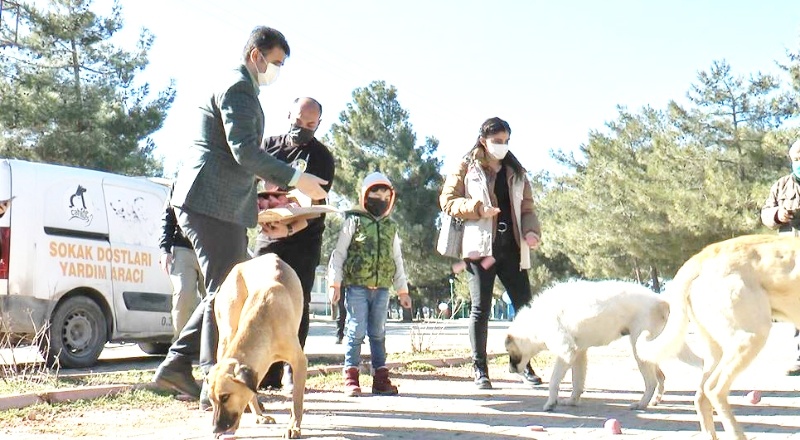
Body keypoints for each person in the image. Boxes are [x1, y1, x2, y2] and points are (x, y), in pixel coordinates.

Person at [152, 26, 328, 409]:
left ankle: (181, 365)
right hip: (209, 202)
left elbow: (236, 156)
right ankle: (201, 377)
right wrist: (299, 179)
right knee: (224, 292)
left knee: (223, 289)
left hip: (217, 201)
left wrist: (264, 197)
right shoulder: (239, 88)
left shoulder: (239, 85)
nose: (276, 70)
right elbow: (245, 153)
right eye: (276, 62)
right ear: (256, 56)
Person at [439, 117, 542, 390]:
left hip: (512, 248)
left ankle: (521, 363)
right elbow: (447, 201)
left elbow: (528, 209)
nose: (502, 146)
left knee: (524, 309)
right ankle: (480, 369)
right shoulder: (466, 166)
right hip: (481, 249)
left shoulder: (516, 170)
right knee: (480, 308)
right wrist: (477, 209)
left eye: (506, 141)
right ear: (483, 139)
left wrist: (532, 232)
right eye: (497, 141)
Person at [253, 97, 335, 390]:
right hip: (267, 236)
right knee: (262, 300)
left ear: (318, 124)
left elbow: (316, 205)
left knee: (297, 302)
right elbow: (250, 188)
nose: (303, 128)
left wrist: (289, 229)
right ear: (289, 115)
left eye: (310, 124)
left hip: (304, 238)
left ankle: (291, 368)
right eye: (299, 122)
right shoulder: (268, 147)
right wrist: (267, 223)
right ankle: (267, 371)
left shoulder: (323, 157)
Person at [328, 172, 412, 396]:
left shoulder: (390, 227)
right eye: (376, 193)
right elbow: (339, 254)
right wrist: (334, 283)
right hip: (356, 287)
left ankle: (380, 379)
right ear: (365, 195)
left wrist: (402, 290)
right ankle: (350, 377)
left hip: (382, 289)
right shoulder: (353, 220)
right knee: (355, 330)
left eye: (386, 194)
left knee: (378, 332)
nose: (381, 198)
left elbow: (397, 259)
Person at [759, 138, 800, 377]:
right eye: (796, 158)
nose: (799, 162)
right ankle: (799, 357)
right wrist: (779, 214)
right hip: (791, 259)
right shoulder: (781, 186)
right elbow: (765, 213)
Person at [158, 186, 206, 341]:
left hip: (211, 249)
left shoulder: (217, 175)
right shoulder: (180, 182)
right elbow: (168, 215)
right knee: (183, 294)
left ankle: (214, 348)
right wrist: (165, 249)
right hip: (183, 247)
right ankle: (181, 346)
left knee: (214, 299)